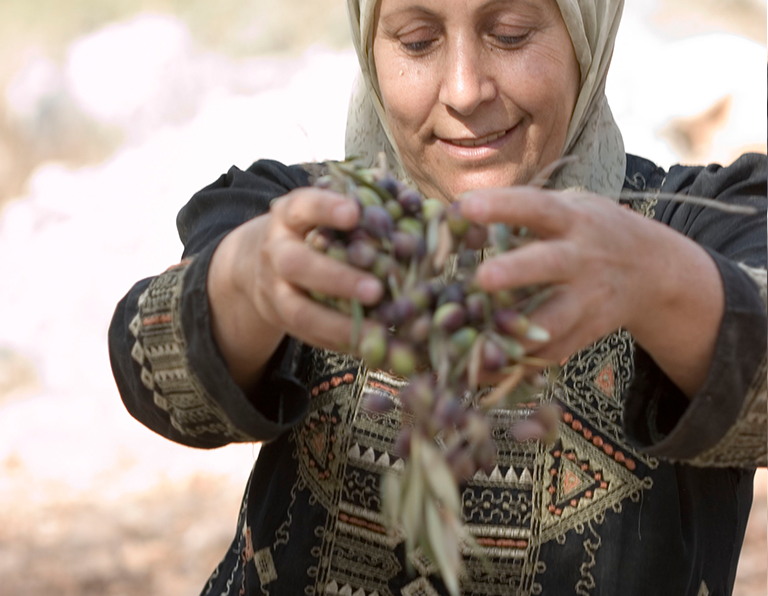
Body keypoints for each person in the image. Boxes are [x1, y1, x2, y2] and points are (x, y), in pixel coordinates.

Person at [108, 0, 767, 594]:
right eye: (418, 41)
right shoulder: (297, 217)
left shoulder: (699, 226)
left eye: (509, 34)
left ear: (584, 34)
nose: (463, 90)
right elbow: (159, 378)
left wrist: (657, 280)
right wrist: (244, 282)